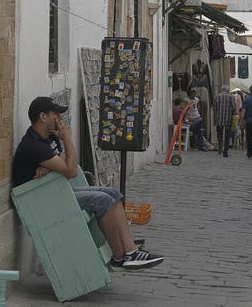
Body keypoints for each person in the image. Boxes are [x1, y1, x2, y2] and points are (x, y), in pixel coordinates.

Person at [12, 96, 164, 270]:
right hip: (40, 200)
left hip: (53, 189)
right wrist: (67, 140)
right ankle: (119, 256)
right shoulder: (33, 144)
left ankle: (131, 251)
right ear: (43, 116)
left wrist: (51, 165)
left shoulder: (49, 138)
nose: (59, 119)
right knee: (102, 201)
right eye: (55, 114)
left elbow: (65, 161)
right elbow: (71, 171)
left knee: (113, 194)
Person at [212, 84, 236, 157]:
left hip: (219, 119)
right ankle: (225, 151)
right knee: (227, 135)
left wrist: (214, 119)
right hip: (228, 119)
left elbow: (215, 109)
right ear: (228, 90)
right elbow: (234, 108)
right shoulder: (231, 97)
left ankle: (220, 145)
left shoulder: (216, 97)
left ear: (221, 89)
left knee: (219, 133)